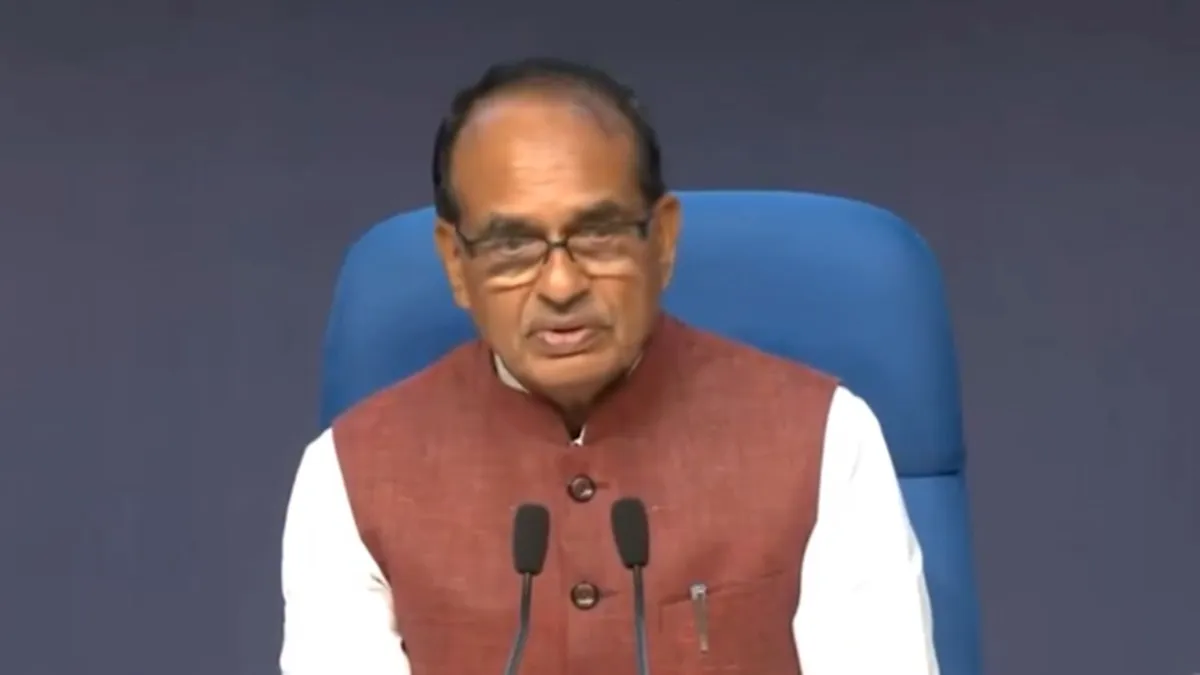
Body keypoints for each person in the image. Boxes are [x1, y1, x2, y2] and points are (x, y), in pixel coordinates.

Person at [279, 57, 939, 675]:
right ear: (456, 262)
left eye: (597, 235)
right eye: (513, 246)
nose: (561, 284)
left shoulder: (825, 438)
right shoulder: (348, 474)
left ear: (664, 239)